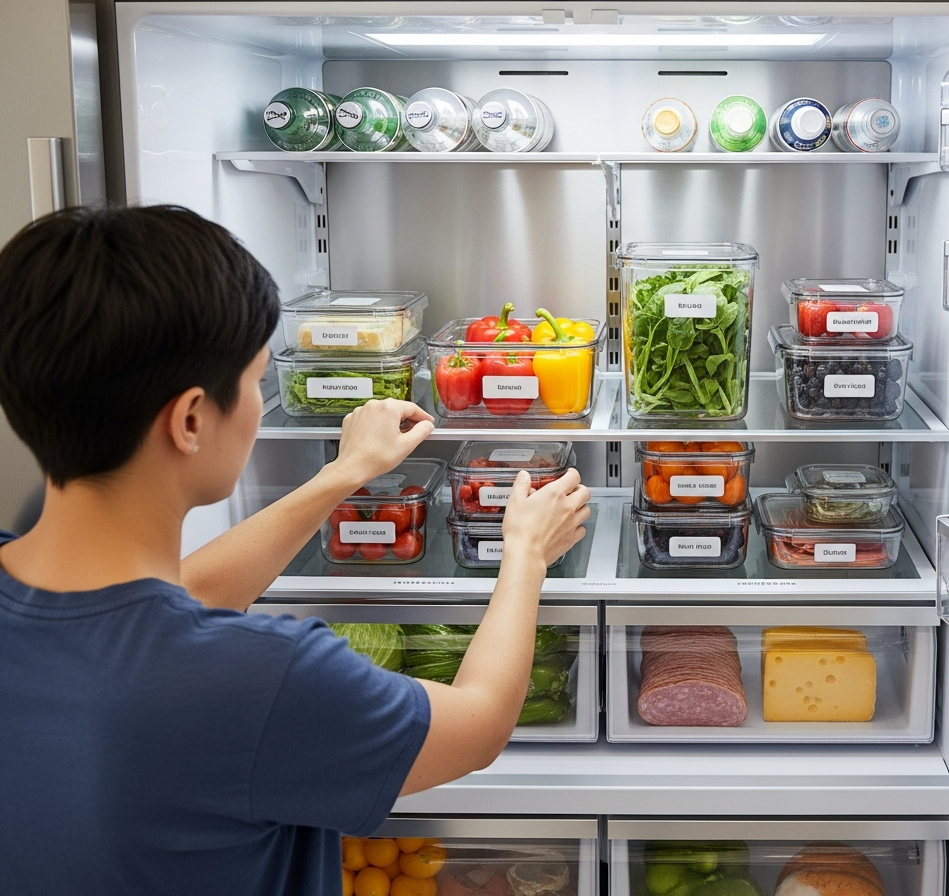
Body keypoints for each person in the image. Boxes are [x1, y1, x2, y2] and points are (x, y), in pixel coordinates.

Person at [0, 205, 591, 894]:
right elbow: (479, 725)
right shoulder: (263, 679)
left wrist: (342, 475)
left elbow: (171, 602)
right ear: (191, 419)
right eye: (256, 380)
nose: (261, 403)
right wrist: (524, 553)